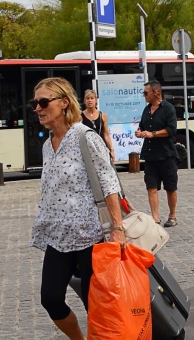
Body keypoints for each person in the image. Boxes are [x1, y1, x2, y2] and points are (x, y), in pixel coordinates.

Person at [30, 77, 124, 340]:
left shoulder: (85, 137)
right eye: (35, 103)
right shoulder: (48, 145)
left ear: (63, 103)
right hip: (59, 237)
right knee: (50, 298)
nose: (37, 108)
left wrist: (117, 228)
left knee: (95, 304)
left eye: (43, 102)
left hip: (91, 235)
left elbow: (109, 183)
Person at [136, 79, 180, 227]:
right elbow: (142, 127)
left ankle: (172, 215)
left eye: (145, 93)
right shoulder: (146, 110)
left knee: (170, 187)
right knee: (151, 186)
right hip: (150, 155)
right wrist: (140, 132)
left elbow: (171, 130)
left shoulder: (168, 109)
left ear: (155, 92)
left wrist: (153, 134)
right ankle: (155, 218)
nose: (144, 95)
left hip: (166, 154)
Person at [81, 89, 115, 162]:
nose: (90, 100)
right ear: (84, 101)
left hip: (101, 148)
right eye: (87, 98)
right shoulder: (80, 116)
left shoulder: (102, 115)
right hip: (88, 149)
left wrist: (111, 150)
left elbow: (106, 135)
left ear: (96, 100)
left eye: (92, 98)